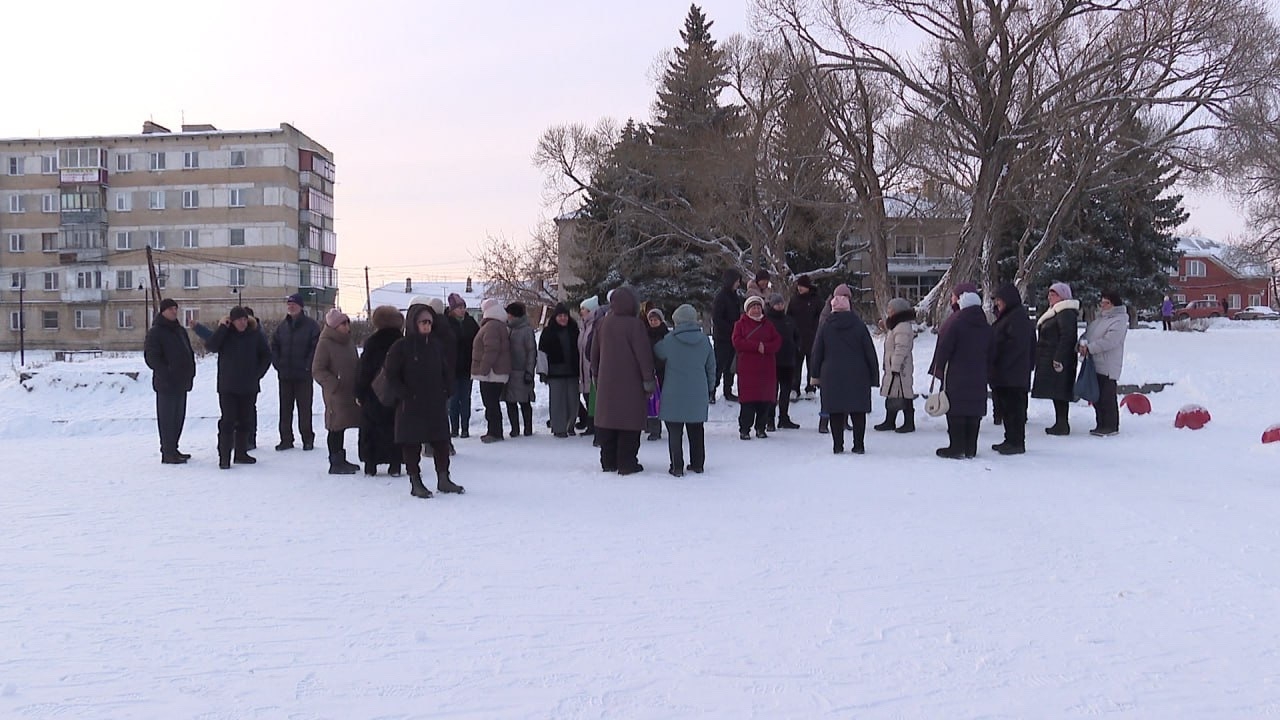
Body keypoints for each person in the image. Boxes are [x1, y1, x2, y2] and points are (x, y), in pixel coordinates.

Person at [383, 303, 465, 498]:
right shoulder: (401, 347)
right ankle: (415, 481)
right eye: (423, 322)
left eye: (430, 322)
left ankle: (443, 478)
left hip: (435, 401)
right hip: (410, 403)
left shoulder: (435, 344)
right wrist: (404, 394)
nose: (427, 325)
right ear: (413, 323)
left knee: (441, 441)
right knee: (411, 443)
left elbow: (445, 368)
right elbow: (391, 374)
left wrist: (448, 388)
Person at [194, 306, 271, 469]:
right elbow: (211, 346)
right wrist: (223, 327)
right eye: (238, 320)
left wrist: (257, 374)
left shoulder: (255, 334)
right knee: (227, 422)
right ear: (232, 321)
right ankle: (224, 457)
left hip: (249, 386)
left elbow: (266, 355)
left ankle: (241, 453)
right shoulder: (225, 334)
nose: (242, 323)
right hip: (228, 387)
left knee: (245, 421)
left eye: (244, 319)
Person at [590, 287, 655, 475]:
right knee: (629, 423)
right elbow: (643, 356)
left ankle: (608, 461)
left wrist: (596, 374)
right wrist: (648, 380)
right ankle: (627, 463)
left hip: (606, 384)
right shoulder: (635, 325)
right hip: (631, 384)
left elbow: (593, 354)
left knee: (608, 422)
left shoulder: (602, 323)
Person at [811, 293, 879, 454]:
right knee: (858, 410)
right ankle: (859, 445)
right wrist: (874, 376)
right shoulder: (859, 325)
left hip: (831, 374)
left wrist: (815, 375)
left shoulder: (826, 326)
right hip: (858, 373)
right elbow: (870, 351)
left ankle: (838, 445)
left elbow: (817, 352)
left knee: (835, 411)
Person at [653, 304, 716, 476]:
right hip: (697, 391)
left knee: (675, 431)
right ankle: (697, 464)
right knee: (696, 430)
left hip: (674, 392)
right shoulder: (704, 341)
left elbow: (657, 352)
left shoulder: (669, 340)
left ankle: (677, 466)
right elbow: (711, 366)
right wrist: (711, 386)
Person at [932, 291, 993, 459]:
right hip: (979, 375)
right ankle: (970, 448)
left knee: (956, 409)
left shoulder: (956, 324)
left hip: (957, 374)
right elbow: (993, 351)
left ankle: (956, 447)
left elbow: (944, 349)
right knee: (974, 410)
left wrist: (940, 366)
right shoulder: (986, 326)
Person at [143, 298, 196, 464]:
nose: (174, 311)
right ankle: (167, 452)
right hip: (166, 383)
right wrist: (166, 372)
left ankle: (174, 448)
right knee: (167, 419)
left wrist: (191, 372)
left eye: (175, 308)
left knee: (178, 417)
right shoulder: (156, 332)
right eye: (171, 309)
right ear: (163, 311)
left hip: (182, 382)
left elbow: (188, 351)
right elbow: (151, 357)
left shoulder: (180, 330)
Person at [355, 305, 404, 476]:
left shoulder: (372, 342)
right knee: (395, 428)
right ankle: (395, 464)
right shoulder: (402, 342)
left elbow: (364, 370)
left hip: (373, 394)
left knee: (371, 428)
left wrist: (360, 392)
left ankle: (371, 464)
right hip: (397, 393)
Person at [311, 308, 362, 474]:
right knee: (336, 426)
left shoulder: (348, 341)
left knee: (345, 424)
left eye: (347, 322)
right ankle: (335, 462)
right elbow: (318, 369)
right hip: (336, 393)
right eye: (343, 323)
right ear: (334, 326)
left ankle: (342, 458)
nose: (347, 326)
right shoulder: (325, 343)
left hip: (350, 391)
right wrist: (334, 384)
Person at [988, 284, 1036, 455]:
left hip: (1012, 373)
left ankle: (1016, 442)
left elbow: (1016, 346)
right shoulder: (1008, 317)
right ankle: (1010, 439)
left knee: (1015, 410)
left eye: (999, 300)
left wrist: (999, 359)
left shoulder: (1017, 318)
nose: (997, 303)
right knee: (1008, 410)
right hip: (1007, 373)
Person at [270, 293, 321, 451]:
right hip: (285, 375)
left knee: (304, 409)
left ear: (301, 306)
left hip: (303, 376)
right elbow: (274, 346)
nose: (291, 307)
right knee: (285, 409)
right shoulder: (282, 327)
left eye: (294, 304)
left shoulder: (311, 326)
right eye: (289, 304)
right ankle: (286, 439)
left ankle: (307, 438)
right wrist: (278, 364)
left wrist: (307, 366)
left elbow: (315, 349)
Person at [1031, 282, 1080, 436]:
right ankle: (1060, 423)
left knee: (1060, 391)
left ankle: (1062, 424)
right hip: (1051, 356)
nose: (1050, 297)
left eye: (1054, 294)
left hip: (1059, 359)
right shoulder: (1056, 312)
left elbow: (1068, 336)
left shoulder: (1065, 312)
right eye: (1050, 294)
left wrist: (1058, 358)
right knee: (1056, 391)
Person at [731, 295, 783, 440]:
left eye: (758, 307)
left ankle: (761, 427)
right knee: (748, 401)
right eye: (753, 307)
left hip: (766, 368)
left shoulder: (768, 324)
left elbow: (777, 342)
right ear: (748, 309)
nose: (756, 309)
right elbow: (737, 341)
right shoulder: (740, 324)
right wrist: (756, 346)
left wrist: (765, 348)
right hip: (748, 368)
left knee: (764, 401)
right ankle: (745, 429)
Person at [1079, 290, 1129, 437]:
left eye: (1106, 303)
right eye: (1102, 302)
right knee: (1097, 396)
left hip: (1108, 366)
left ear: (1114, 305)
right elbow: (1087, 334)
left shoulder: (1119, 320)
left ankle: (1111, 425)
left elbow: (1110, 341)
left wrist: (1090, 348)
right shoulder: (1098, 320)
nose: (1103, 305)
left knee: (1107, 397)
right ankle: (1100, 423)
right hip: (1094, 364)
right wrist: (1081, 344)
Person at [471, 298, 512, 443]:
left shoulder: (491, 327)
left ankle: (494, 432)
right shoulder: (498, 325)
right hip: (496, 372)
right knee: (492, 403)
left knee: (490, 403)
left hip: (491, 373)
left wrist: (483, 369)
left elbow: (491, 350)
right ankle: (494, 431)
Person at [815, 283, 854, 434]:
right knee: (828, 394)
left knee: (845, 392)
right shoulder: (827, 315)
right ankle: (824, 422)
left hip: (846, 358)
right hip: (830, 358)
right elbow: (820, 339)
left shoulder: (851, 313)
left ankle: (844, 420)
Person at [874, 297, 917, 434]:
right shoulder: (897, 325)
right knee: (893, 392)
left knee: (904, 393)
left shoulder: (902, 326)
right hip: (896, 366)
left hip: (900, 368)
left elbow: (901, 348)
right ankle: (890, 420)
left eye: (890, 309)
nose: (888, 311)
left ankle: (908, 423)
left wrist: (895, 366)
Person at [539, 303, 581, 438]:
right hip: (555, 372)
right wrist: (543, 372)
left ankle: (570, 425)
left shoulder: (574, 330)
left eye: (565, 316)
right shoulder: (548, 332)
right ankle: (559, 428)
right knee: (557, 402)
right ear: (555, 317)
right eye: (560, 316)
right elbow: (542, 353)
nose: (563, 318)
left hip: (572, 371)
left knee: (572, 401)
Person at [765, 293, 801, 430]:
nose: (779, 306)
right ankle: (770, 419)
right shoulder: (767, 320)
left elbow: (797, 336)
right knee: (772, 392)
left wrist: (797, 347)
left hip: (788, 361)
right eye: (777, 304)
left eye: (781, 303)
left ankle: (784, 418)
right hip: (772, 361)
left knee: (785, 391)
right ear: (772, 305)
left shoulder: (789, 320)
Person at [445, 293, 479, 438]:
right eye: (458, 307)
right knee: (453, 399)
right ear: (452, 309)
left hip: (467, 366)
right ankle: (454, 428)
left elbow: (477, 341)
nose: (462, 310)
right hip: (452, 368)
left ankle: (465, 428)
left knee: (465, 399)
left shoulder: (470, 322)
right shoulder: (446, 323)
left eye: (463, 307)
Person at [503, 302, 537, 437]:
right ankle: (514, 429)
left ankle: (528, 428)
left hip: (522, 371)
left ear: (514, 315)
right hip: (509, 371)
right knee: (510, 401)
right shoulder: (509, 329)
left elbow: (531, 352)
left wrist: (529, 371)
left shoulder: (526, 330)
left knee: (524, 402)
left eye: (509, 314)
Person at [786, 274, 824, 396]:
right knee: (796, 364)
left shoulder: (816, 300)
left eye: (802, 286)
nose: (800, 289)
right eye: (798, 286)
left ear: (808, 287)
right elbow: (789, 315)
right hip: (797, 336)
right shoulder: (794, 299)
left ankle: (811, 387)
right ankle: (794, 388)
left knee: (811, 364)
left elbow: (821, 317)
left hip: (812, 336)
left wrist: (816, 329)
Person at [711, 269, 742, 402]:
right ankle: (711, 391)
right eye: (736, 281)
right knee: (719, 365)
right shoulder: (721, 297)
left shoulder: (734, 296)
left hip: (733, 337)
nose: (738, 284)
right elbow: (717, 318)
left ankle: (727, 390)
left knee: (730, 366)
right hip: (722, 337)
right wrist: (732, 328)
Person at [577, 296, 602, 437]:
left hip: (591, 367)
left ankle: (595, 425)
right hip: (584, 367)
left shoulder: (594, 325)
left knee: (593, 398)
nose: (581, 312)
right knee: (588, 397)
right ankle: (591, 424)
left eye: (583, 309)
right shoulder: (584, 325)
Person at [645, 307, 670, 441]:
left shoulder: (666, 334)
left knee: (665, 401)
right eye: (651, 319)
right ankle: (654, 429)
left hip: (665, 372)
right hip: (650, 371)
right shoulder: (645, 334)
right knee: (651, 401)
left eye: (655, 319)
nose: (653, 322)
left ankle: (671, 426)